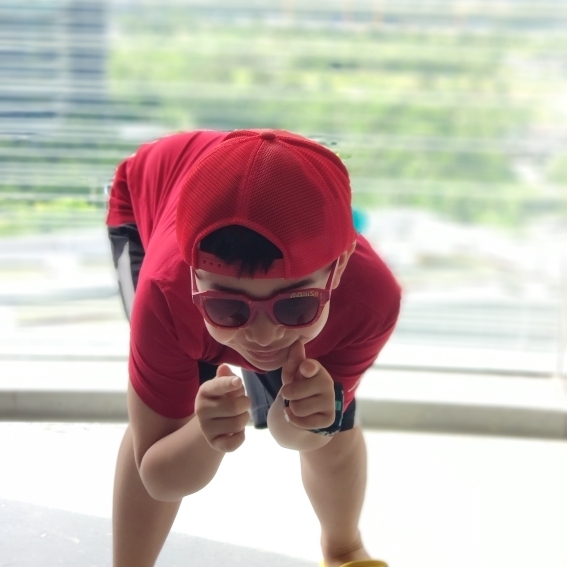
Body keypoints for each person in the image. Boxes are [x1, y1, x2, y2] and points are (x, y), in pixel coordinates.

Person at [106, 128, 401, 567]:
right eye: (227, 306)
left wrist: (307, 412)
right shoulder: (166, 294)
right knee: (163, 419)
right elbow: (158, 476)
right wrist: (203, 434)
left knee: (331, 423)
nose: (262, 339)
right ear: (194, 277)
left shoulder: (369, 299)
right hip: (148, 196)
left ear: (338, 269)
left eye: (296, 305)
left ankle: (344, 550)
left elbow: (300, 435)